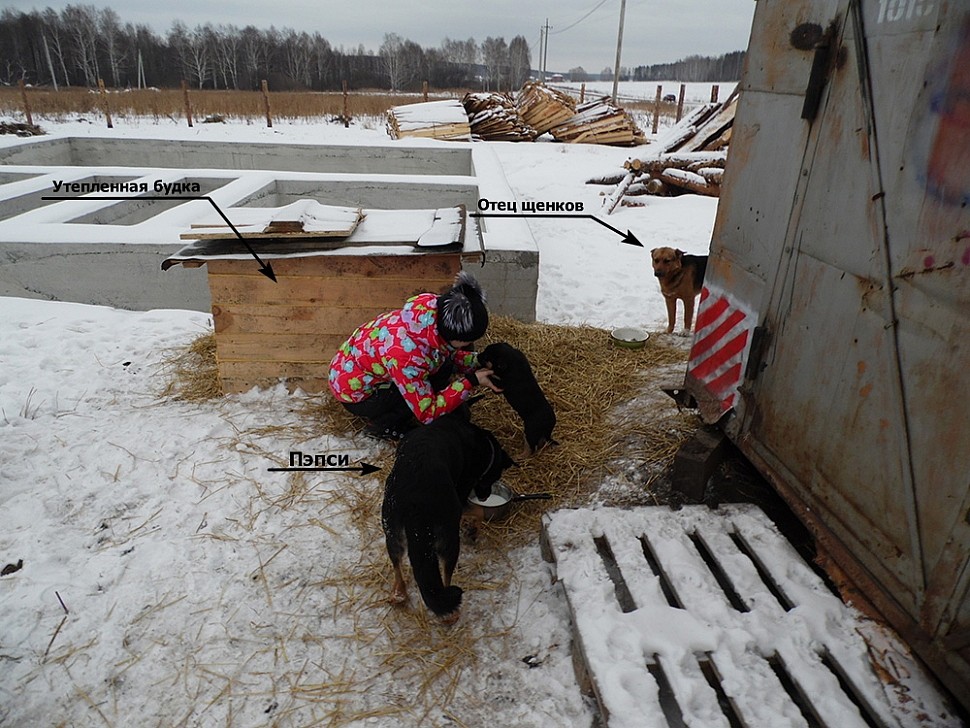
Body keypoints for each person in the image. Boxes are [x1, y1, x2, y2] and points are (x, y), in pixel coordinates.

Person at [328, 271, 501, 440]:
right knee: (407, 402)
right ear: (452, 337)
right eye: (465, 341)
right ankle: (381, 426)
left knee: (441, 368)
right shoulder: (408, 359)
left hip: (359, 366)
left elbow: (444, 352)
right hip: (357, 394)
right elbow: (427, 413)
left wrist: (477, 361)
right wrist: (470, 381)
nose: (467, 345)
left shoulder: (429, 312)